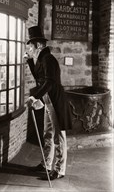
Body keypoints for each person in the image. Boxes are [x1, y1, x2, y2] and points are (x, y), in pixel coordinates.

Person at [24, 26, 72, 180]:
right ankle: (46, 164)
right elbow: (39, 78)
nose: (30, 48)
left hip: (55, 100)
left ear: (38, 45)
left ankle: (59, 169)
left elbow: (49, 82)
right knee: (48, 134)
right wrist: (30, 61)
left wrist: (34, 97)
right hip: (48, 100)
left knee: (59, 136)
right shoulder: (42, 59)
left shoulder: (48, 59)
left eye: (31, 46)